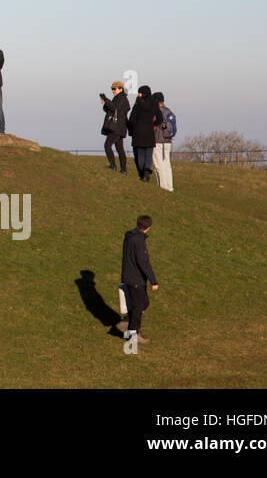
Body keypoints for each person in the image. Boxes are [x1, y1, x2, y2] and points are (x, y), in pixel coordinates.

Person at [116, 214, 159, 344]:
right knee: (140, 305)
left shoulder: (129, 235)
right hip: (136, 279)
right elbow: (143, 262)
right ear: (148, 227)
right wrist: (153, 280)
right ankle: (133, 334)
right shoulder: (139, 241)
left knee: (143, 303)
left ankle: (126, 322)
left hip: (129, 276)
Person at [127, 86, 158, 183]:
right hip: (149, 132)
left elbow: (131, 119)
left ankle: (142, 174)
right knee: (149, 155)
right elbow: (160, 119)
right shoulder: (154, 104)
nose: (138, 94)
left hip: (138, 133)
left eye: (139, 93)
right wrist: (152, 124)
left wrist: (133, 128)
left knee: (140, 155)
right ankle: (146, 173)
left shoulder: (137, 104)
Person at [99, 81, 131, 174]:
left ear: (120, 89)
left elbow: (114, 108)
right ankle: (123, 170)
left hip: (116, 128)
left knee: (107, 146)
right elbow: (111, 110)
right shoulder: (119, 98)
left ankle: (113, 165)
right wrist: (105, 104)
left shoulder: (121, 99)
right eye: (112, 89)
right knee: (120, 149)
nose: (113, 91)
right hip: (119, 127)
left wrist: (106, 100)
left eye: (114, 89)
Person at [151, 92, 176, 192]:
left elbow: (161, 124)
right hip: (168, 141)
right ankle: (170, 187)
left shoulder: (157, 111)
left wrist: (162, 131)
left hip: (158, 140)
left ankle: (162, 187)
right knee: (167, 165)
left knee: (158, 165)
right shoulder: (169, 111)